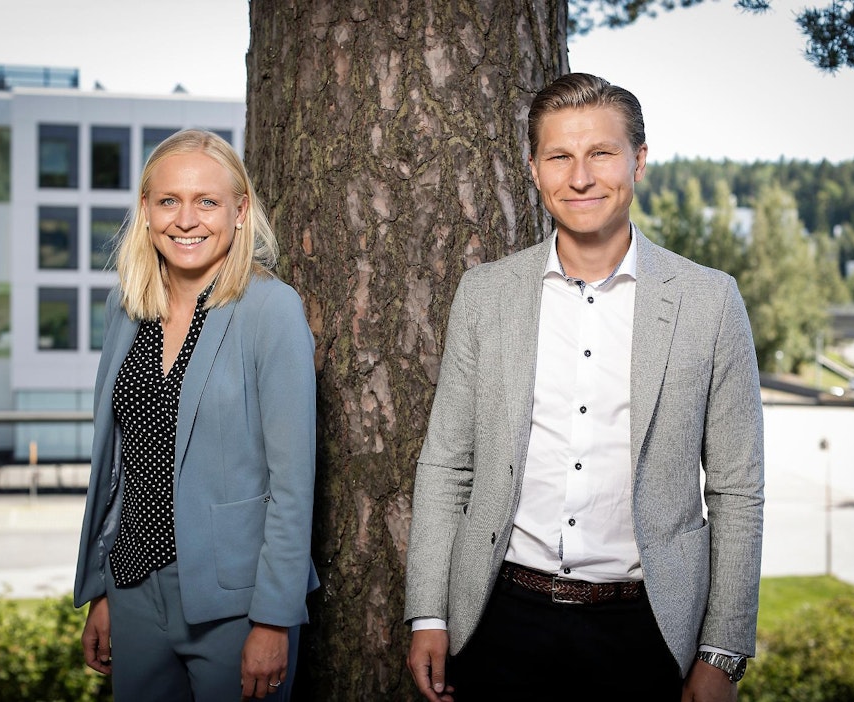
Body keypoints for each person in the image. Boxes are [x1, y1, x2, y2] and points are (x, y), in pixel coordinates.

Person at [404, 73, 764, 701]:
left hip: (646, 631)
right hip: (497, 618)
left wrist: (722, 655)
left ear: (638, 161)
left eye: (601, 153)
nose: (580, 177)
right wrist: (429, 614)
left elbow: (737, 488)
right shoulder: (485, 294)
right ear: (534, 169)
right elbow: (446, 465)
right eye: (559, 157)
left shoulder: (710, 302)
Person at [74, 129, 318, 701]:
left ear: (240, 211)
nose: (186, 220)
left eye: (207, 201)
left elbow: (292, 484)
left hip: (236, 603)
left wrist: (274, 618)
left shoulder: (271, 309)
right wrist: (104, 588)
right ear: (146, 210)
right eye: (169, 201)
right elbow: (120, 468)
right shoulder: (125, 306)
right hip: (133, 588)